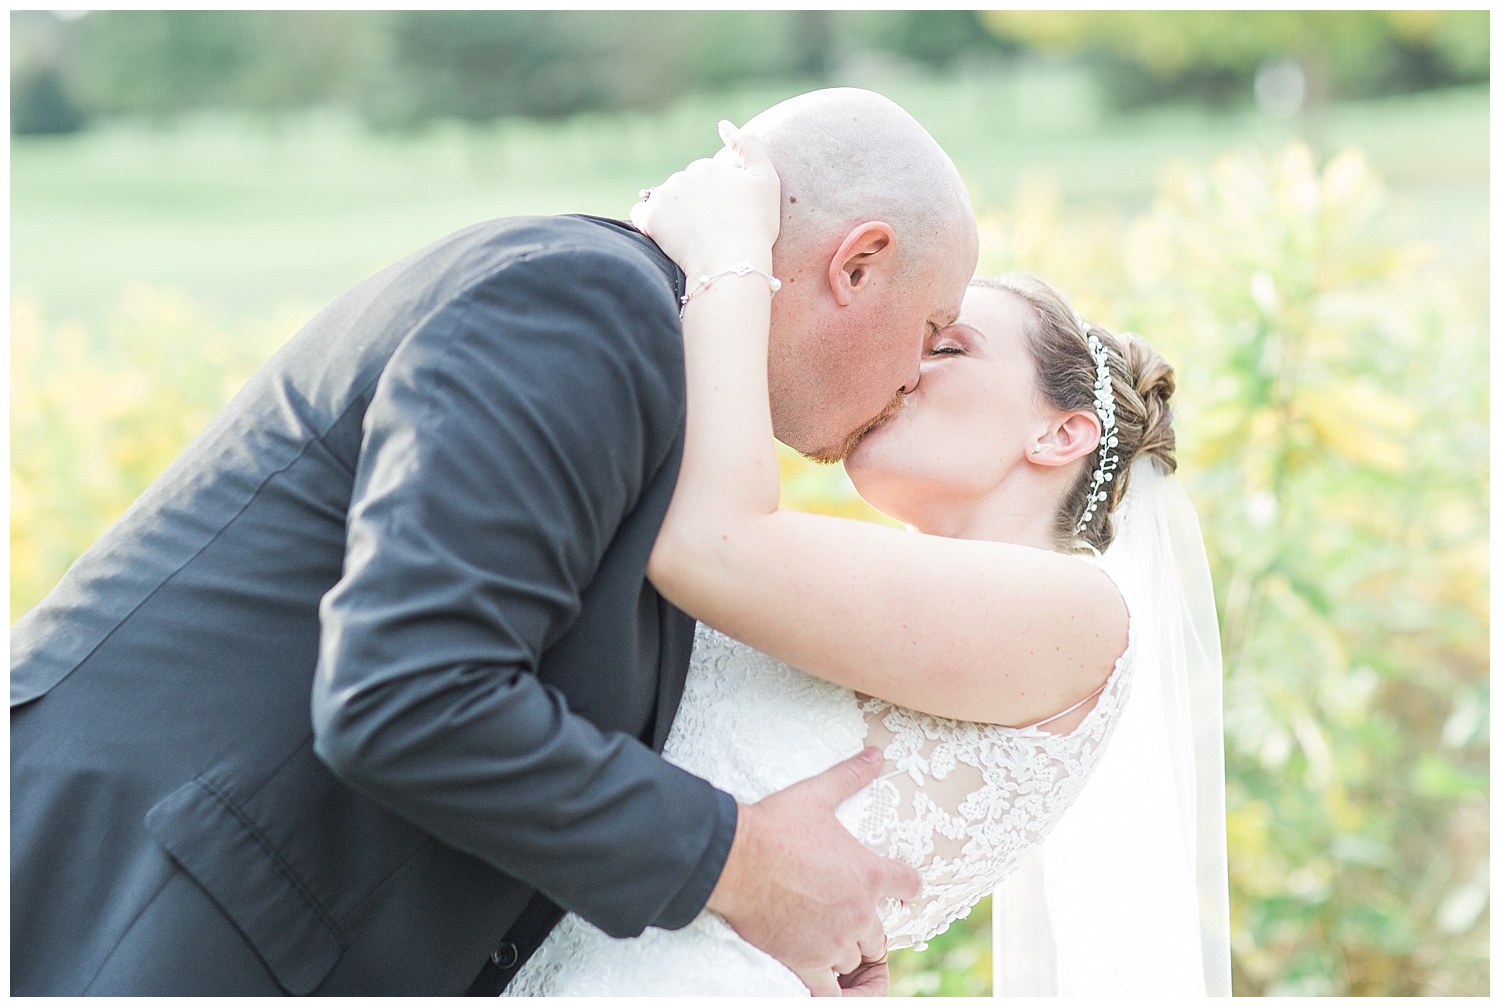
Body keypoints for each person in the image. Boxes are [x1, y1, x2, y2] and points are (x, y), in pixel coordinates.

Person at [9, 88, 976, 995]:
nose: (917, 376)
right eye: (932, 326)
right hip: (128, 916)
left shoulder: (655, 371)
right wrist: (749, 865)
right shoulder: (585, 307)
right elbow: (408, 692)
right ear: (858, 262)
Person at [500, 124, 1229, 995]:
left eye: (946, 344)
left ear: (1060, 431)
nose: (901, 365)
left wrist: (731, 256)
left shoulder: (1081, 613)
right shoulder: (884, 587)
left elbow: (709, 544)